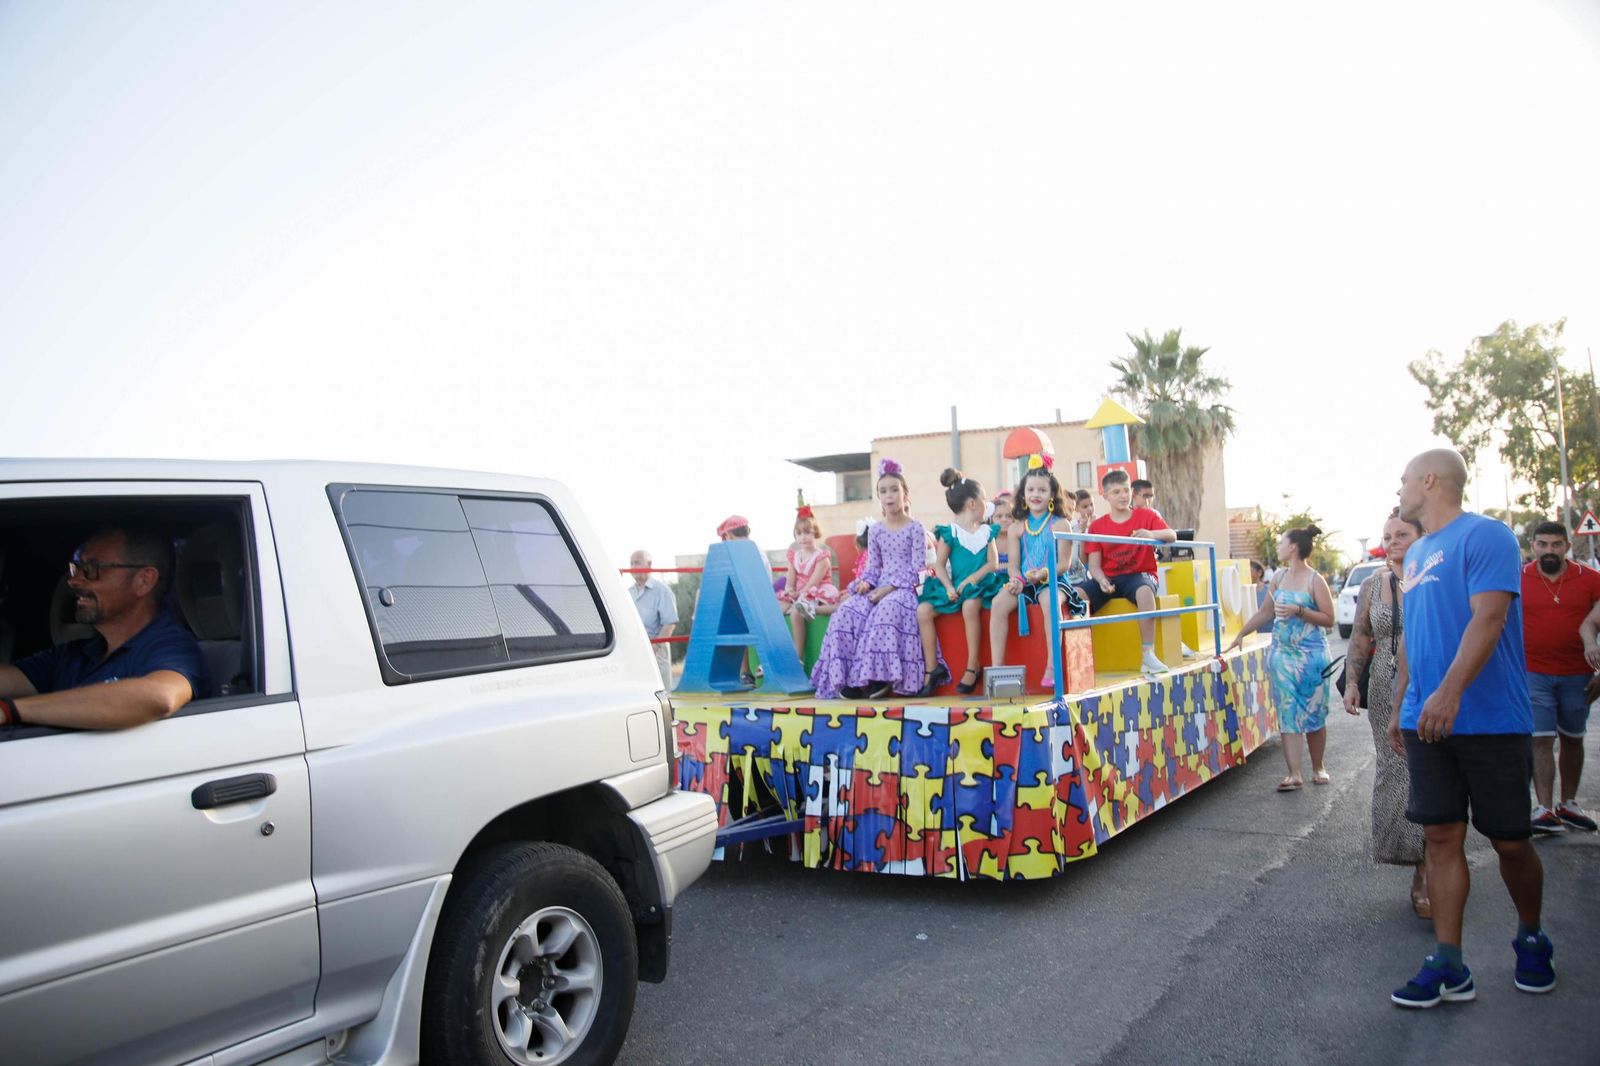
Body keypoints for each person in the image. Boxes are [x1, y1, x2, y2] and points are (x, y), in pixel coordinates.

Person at [1386, 448, 1552, 1009]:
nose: (1401, 487)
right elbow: (1415, 633)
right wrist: (1403, 702)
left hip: (1490, 721)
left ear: (1429, 481)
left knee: (1509, 840)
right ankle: (1450, 963)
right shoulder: (1416, 554)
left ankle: (1531, 936)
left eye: (1405, 479)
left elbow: (1491, 616)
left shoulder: (1487, 536)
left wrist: (1451, 692)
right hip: (1425, 720)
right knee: (1439, 837)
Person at [0, 527, 205, 730]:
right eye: (77, 567)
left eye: (92, 569)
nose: (73, 580)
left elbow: (160, 696)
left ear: (144, 580)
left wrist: (11, 710)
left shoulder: (172, 648)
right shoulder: (75, 654)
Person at [1343, 509, 1429, 916]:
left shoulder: (1433, 578)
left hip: (1430, 686)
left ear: (1421, 536)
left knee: (1431, 771)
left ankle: (1431, 866)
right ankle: (1413, 859)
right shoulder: (1374, 584)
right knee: (1395, 772)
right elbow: (1361, 634)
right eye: (1388, 535)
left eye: (1402, 534)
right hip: (1382, 690)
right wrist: (1353, 681)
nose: (1394, 542)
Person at [810, 459, 938, 700]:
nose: (888, 495)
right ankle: (849, 679)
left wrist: (888, 589)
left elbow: (917, 569)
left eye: (894, 490)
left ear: (905, 494)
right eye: (883, 491)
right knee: (847, 610)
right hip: (879, 585)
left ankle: (878, 679)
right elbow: (873, 567)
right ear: (878, 496)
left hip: (905, 589)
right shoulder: (877, 531)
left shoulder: (916, 528)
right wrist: (866, 582)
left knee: (886, 609)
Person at [1227, 523, 1334, 790]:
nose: (1278, 547)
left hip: (1312, 657)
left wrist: (1300, 610)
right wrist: (1242, 633)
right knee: (1288, 712)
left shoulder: (1315, 580)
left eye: (1281, 542)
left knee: (1315, 713)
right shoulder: (1279, 578)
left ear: (1293, 547)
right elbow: (1266, 612)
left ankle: (1318, 767)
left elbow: (1328, 619)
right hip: (1283, 656)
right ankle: (1294, 773)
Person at [1519, 520, 1600, 833]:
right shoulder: (1519, 579)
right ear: (1533, 547)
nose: (1549, 551)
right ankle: (1544, 808)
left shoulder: (1591, 579)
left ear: (1567, 546)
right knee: (1540, 739)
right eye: (1542, 544)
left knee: (1572, 737)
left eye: (1555, 545)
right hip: (1533, 671)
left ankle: (1569, 803)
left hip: (1578, 674)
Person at [988, 457, 1087, 688]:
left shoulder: (1061, 525)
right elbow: (1014, 564)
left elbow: (1063, 564)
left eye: (1042, 490)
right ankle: (998, 670)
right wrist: (1016, 579)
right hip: (1025, 581)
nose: (1036, 494)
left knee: (1049, 600)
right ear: (1022, 494)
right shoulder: (1016, 527)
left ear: (1052, 494)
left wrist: (1044, 573)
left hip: (1054, 579)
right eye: (1031, 489)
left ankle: (1052, 665)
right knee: (998, 603)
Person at [1077, 468, 1176, 676]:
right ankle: (1077, 657)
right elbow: (1093, 565)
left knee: (1145, 593)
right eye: (1116, 492)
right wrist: (1101, 580)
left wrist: (1151, 534)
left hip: (1140, 574)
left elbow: (1171, 535)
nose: (1122, 496)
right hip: (1110, 578)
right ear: (1105, 496)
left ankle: (1148, 654)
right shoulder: (1097, 526)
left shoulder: (1146, 515)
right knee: (1077, 595)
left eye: (1125, 490)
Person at [917, 468, 1003, 696]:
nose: (987, 504)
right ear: (973, 503)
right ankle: (931, 669)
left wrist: (972, 579)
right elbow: (939, 565)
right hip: (956, 586)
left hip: (981, 584)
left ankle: (973, 664)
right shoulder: (950, 532)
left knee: (970, 604)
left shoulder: (987, 531)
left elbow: (993, 564)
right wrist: (948, 587)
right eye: (984, 500)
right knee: (924, 610)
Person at [776, 497, 840, 658]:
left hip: (816, 591)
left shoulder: (822, 557)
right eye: (799, 533)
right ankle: (777, 654)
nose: (803, 537)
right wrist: (790, 590)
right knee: (777, 608)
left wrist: (799, 594)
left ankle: (798, 657)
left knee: (797, 612)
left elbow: (813, 583)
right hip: (799, 592)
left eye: (807, 533)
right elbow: (790, 581)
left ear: (815, 532)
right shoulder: (794, 556)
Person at [627, 549, 678, 690]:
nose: (633, 567)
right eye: (631, 564)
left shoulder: (662, 591)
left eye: (637, 563)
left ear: (649, 564)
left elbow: (669, 623)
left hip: (656, 653)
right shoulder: (628, 593)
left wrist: (654, 648)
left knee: (661, 696)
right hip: (635, 652)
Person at [1249, 559, 1275, 634]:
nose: (1247, 574)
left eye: (1250, 571)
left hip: (1268, 634)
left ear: (1259, 572)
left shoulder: (1269, 591)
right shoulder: (1243, 593)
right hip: (1250, 635)